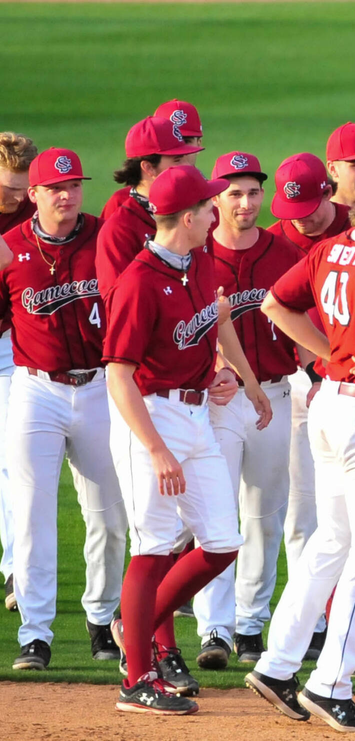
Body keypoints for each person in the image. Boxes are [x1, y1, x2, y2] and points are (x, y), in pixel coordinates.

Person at [248, 159, 355, 731]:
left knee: (332, 542)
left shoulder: (334, 246)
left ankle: (276, 666)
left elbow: (275, 303)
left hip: (328, 407)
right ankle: (330, 683)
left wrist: (330, 356)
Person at [104, 164, 270, 714]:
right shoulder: (139, 281)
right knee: (152, 545)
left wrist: (236, 375)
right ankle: (136, 678)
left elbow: (214, 322)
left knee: (222, 542)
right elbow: (119, 375)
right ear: (187, 217)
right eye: (208, 207)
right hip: (151, 418)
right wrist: (155, 449)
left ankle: (139, 625)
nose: (217, 211)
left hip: (197, 416)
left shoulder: (198, 262)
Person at [2, 148, 125, 671]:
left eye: (74, 185)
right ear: (33, 194)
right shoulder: (8, 249)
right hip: (35, 392)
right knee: (31, 515)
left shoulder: (105, 237)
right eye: (55, 187)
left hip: (100, 388)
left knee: (109, 514)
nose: (67, 195)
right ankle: (36, 635)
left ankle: (102, 619)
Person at [191, 152, 303, 669]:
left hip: (277, 396)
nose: (245, 201)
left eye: (253, 191)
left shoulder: (285, 252)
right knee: (216, 516)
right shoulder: (195, 255)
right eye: (234, 192)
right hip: (217, 402)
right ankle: (213, 627)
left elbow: (307, 320)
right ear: (215, 199)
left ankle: (250, 625)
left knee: (264, 515)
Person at [264, 151, 350, 660]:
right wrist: (320, 367)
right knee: (302, 514)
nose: (305, 217)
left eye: (313, 206)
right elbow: (282, 310)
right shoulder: (279, 240)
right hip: (301, 381)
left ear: (328, 189)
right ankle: (311, 623)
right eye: (294, 208)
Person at [96, 116, 203, 302]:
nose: (187, 166)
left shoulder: (198, 210)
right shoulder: (119, 231)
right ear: (148, 168)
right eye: (177, 160)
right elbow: (119, 304)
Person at [0, 131, 37, 613]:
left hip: (9, 345)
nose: (13, 196)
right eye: (6, 187)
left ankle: (15, 569)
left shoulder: (34, 208)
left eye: (20, 187)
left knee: (12, 459)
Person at [101, 100, 204, 222]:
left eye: (185, 142)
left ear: (198, 145)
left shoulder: (212, 196)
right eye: (169, 145)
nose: (180, 152)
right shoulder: (119, 203)